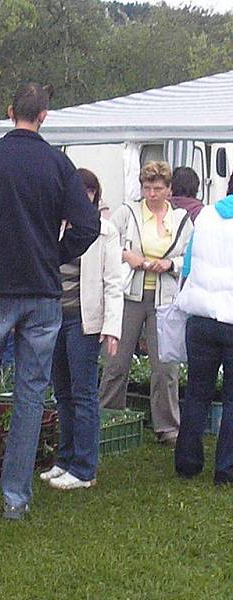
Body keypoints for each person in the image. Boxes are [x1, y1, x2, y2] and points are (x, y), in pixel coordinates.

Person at [0, 82, 100, 520]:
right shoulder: (58, 163)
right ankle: (15, 498)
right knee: (31, 393)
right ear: (44, 116)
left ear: (11, 112)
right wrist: (54, 254)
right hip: (43, 293)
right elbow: (88, 225)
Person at [99, 161, 193, 447]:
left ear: (169, 190)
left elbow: (190, 257)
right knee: (116, 360)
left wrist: (170, 264)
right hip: (129, 295)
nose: (152, 193)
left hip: (165, 300)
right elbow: (106, 244)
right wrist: (128, 256)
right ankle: (108, 418)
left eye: (158, 188)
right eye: (147, 188)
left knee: (165, 366)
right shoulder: (127, 214)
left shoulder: (182, 220)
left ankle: (167, 427)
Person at [40, 168, 123, 490]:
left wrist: (111, 327)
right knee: (62, 392)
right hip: (53, 317)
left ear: (94, 195)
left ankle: (84, 468)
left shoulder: (105, 232)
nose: (83, 197)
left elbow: (113, 283)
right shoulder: (54, 227)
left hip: (85, 321)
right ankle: (65, 459)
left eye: (88, 192)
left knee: (83, 392)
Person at [174, 190, 233, 483]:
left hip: (200, 318)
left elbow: (187, 264)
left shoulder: (206, 215)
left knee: (197, 394)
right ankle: (225, 469)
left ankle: (187, 462)